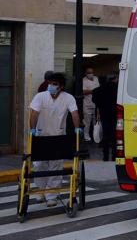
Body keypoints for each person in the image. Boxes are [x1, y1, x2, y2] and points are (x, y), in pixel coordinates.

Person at [29, 72, 82, 207]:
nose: (51, 86)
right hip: (41, 135)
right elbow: (34, 113)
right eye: (50, 83)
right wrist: (32, 128)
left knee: (56, 165)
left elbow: (74, 113)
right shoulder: (40, 96)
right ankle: (41, 191)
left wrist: (77, 127)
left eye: (55, 84)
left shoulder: (68, 98)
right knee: (40, 165)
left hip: (58, 136)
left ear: (61, 87)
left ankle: (52, 195)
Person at [93, 73, 118, 161]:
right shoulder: (117, 89)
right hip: (116, 115)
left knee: (105, 135)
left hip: (104, 115)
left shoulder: (97, 90)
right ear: (115, 79)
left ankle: (105, 156)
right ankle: (115, 156)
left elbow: (95, 101)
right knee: (115, 136)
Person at [82, 67, 100, 141]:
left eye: (92, 72)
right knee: (87, 122)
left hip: (96, 104)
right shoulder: (83, 80)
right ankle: (86, 136)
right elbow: (83, 91)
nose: (91, 74)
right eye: (89, 73)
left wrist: (94, 91)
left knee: (95, 122)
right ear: (86, 73)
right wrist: (93, 91)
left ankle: (95, 136)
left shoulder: (96, 78)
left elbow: (99, 89)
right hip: (87, 104)